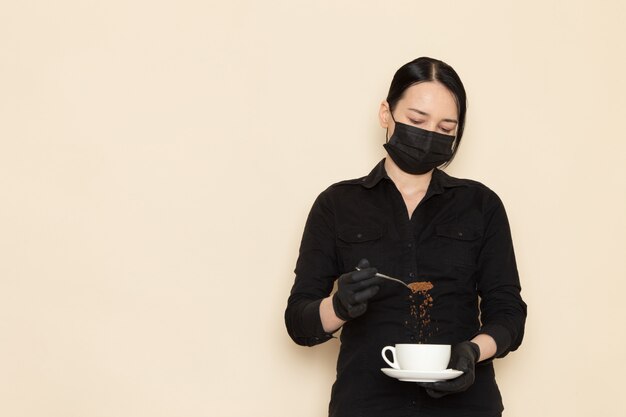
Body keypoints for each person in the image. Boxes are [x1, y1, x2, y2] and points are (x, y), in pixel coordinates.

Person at [284, 57, 527, 417]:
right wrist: (338, 307)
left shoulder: (482, 205)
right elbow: (298, 323)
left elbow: (509, 314)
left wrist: (473, 352)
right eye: (416, 121)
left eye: (446, 127)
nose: (431, 134)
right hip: (366, 405)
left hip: (467, 407)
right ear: (386, 113)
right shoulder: (336, 204)